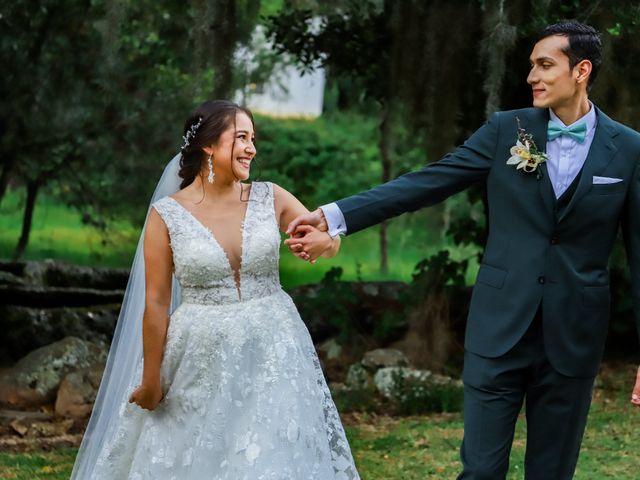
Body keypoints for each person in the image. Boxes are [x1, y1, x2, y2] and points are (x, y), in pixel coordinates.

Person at [286, 21, 640, 479]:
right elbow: (427, 183)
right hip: (499, 330)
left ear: (581, 70)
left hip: (574, 336)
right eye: (530, 65)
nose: (531, 76)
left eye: (544, 65)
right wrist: (336, 217)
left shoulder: (628, 149)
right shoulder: (505, 130)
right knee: (480, 472)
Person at [71, 100, 360, 479]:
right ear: (208, 145)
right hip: (200, 357)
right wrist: (152, 380)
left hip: (273, 349)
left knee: (270, 455)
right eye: (241, 137)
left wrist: (328, 243)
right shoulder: (166, 215)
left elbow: (326, 234)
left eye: (253, 138)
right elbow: (156, 303)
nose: (252, 148)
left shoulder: (270, 197)